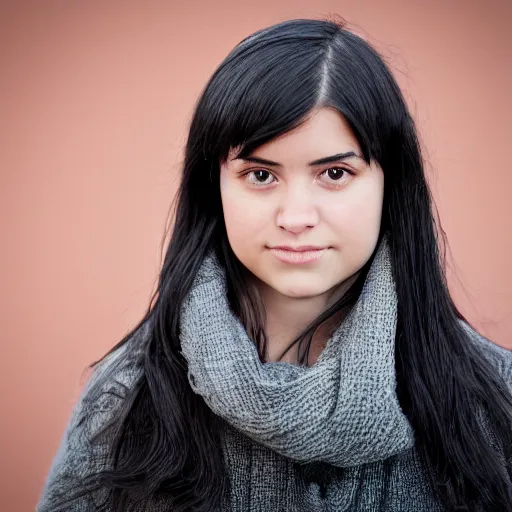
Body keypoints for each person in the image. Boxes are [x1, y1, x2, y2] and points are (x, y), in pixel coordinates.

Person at [37, 17, 512, 512]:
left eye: (334, 173)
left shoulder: (497, 398)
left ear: (390, 183)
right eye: (261, 175)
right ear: (214, 187)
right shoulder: (126, 399)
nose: (296, 217)